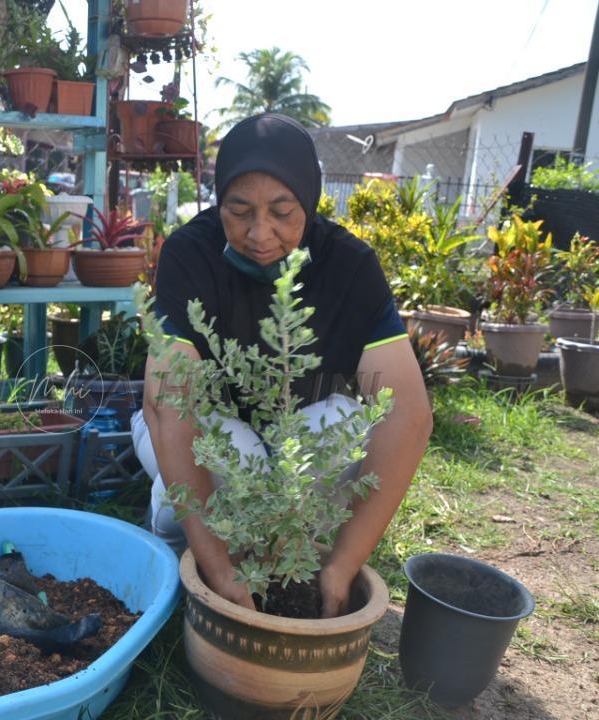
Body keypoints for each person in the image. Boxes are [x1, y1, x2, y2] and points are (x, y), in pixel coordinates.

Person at [131, 114, 432, 618]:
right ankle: (170, 536)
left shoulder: (350, 267)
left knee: (339, 422)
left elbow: (408, 414)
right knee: (238, 451)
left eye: (282, 212)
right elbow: (168, 403)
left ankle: (296, 561)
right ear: (218, 200)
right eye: (239, 210)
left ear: (309, 204)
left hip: (291, 441)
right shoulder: (190, 252)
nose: (259, 233)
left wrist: (344, 563)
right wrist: (220, 570)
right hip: (198, 430)